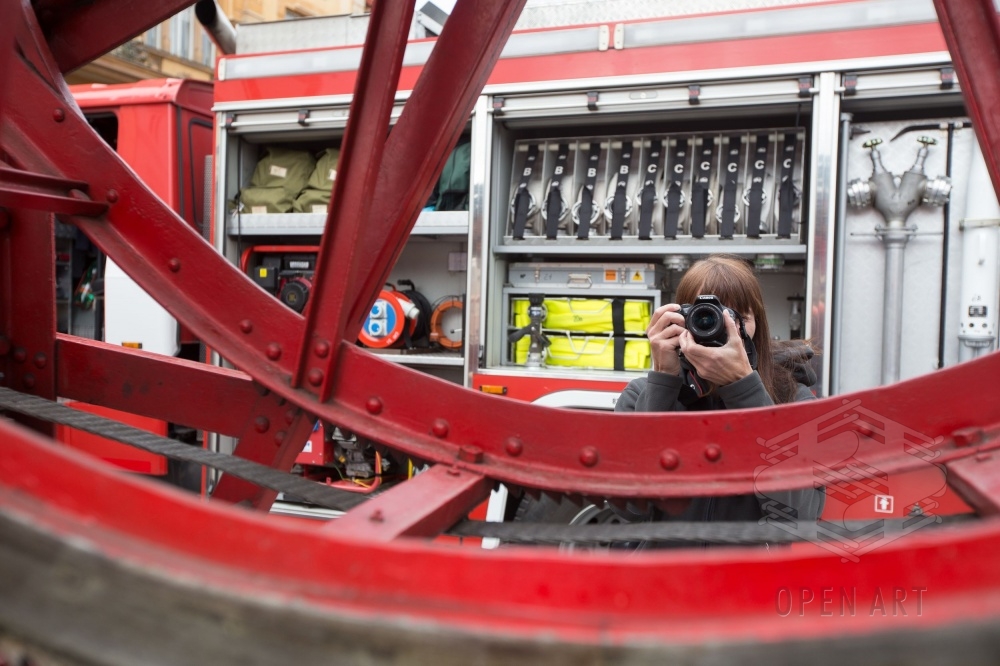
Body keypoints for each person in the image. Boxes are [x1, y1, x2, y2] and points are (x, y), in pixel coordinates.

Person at [616, 254, 825, 523]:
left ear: (758, 325)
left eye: (738, 317)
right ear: (679, 319)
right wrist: (663, 380)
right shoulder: (642, 395)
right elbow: (631, 509)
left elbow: (799, 516)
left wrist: (745, 390)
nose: (722, 328)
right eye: (705, 316)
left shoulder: (793, 400)